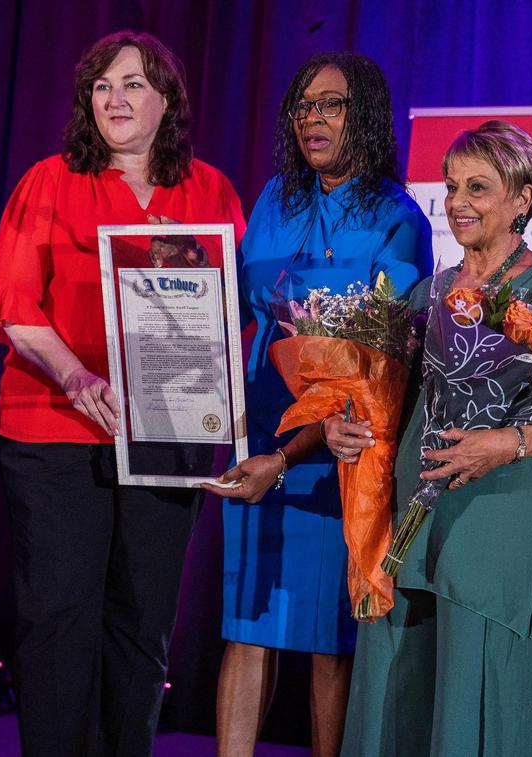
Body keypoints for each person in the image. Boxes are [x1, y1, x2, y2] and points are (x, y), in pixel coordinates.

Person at [0, 31, 245, 756]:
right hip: (53, 427)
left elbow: (233, 310)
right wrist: (77, 377)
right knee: (59, 619)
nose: (114, 99)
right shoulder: (49, 181)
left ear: (167, 100)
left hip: (168, 433)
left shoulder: (210, 190)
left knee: (143, 623)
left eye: (133, 84)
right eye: (100, 86)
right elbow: (14, 305)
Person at [336, 121, 532, 756]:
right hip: (414, 512)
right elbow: (386, 399)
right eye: (451, 186)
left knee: (481, 685)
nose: (457, 202)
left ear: (523, 198)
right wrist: (345, 425)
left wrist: (508, 443)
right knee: (399, 686)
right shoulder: (429, 292)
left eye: (477, 187)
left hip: (500, 515)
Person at [200, 53, 431, 757]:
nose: (313, 119)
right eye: (303, 106)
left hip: (344, 446)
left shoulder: (398, 217)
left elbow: (389, 354)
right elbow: (236, 304)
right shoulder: (276, 198)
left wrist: (315, 436)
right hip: (262, 427)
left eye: (331, 104)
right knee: (248, 623)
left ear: (366, 115)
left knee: (330, 638)